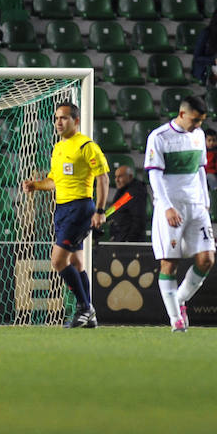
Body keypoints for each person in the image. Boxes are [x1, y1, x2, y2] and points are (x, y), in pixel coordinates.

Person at [22, 102, 109, 328]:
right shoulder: (58, 148)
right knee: (77, 263)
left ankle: (84, 308)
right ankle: (89, 315)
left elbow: (103, 177)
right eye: (56, 118)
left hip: (80, 208)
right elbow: (54, 181)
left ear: (76, 121)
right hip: (61, 210)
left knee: (58, 261)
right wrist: (36, 185)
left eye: (64, 118)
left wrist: (100, 209)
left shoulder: (86, 146)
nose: (58, 122)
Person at [144, 96, 214, 332]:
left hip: (197, 206)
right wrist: (166, 207)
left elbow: (201, 169)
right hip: (172, 207)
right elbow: (154, 175)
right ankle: (176, 319)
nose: (198, 126)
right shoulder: (159, 137)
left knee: (207, 260)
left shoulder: (199, 135)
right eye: (195, 120)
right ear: (182, 114)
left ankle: (180, 299)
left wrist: (205, 201)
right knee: (169, 263)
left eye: (201, 121)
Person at [108, 165, 148, 242]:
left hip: (129, 242)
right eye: (116, 177)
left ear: (130, 176)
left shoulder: (135, 193)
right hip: (120, 238)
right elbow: (114, 209)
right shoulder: (122, 192)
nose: (116, 180)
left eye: (120, 177)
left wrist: (129, 240)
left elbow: (139, 219)